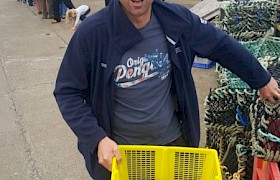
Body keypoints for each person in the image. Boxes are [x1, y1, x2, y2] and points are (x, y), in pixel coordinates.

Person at [53, 0, 280, 179]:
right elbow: (67, 91)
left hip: (172, 144)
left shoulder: (177, 21)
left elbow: (222, 45)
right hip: (120, 154)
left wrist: (261, 79)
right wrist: (97, 139)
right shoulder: (93, 33)